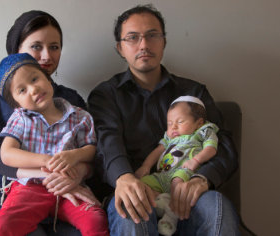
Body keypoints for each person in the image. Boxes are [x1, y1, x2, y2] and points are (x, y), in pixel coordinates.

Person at [87, 4, 240, 236]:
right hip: (136, 188)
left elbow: (225, 145)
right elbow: (107, 141)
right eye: (133, 38)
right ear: (120, 47)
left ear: (164, 42)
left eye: (152, 35)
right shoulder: (106, 95)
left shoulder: (194, 93)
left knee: (217, 206)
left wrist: (202, 179)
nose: (144, 45)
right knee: (131, 211)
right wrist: (124, 177)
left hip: (188, 191)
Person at [0, 10, 93, 236]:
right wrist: (49, 173)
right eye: (37, 46)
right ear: (16, 49)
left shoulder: (72, 100)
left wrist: (79, 173)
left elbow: (90, 152)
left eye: (54, 47)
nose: (47, 55)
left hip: (56, 193)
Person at [0, 53, 109, 236]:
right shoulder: (21, 118)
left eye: (35, 79)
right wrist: (46, 160)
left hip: (68, 186)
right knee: (3, 226)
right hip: (30, 188)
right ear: (16, 103)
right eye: (22, 90)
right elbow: (7, 153)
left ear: (47, 78)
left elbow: (92, 151)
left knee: (95, 219)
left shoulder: (80, 116)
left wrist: (75, 155)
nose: (33, 89)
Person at [136, 96, 219, 235]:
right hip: (162, 174)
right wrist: (145, 166)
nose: (173, 126)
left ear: (198, 123)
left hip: (184, 171)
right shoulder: (169, 138)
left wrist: (196, 161)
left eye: (180, 122)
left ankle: (170, 219)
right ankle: (161, 202)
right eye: (169, 123)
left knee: (177, 182)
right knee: (141, 185)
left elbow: (211, 149)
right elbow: (157, 151)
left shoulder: (202, 132)